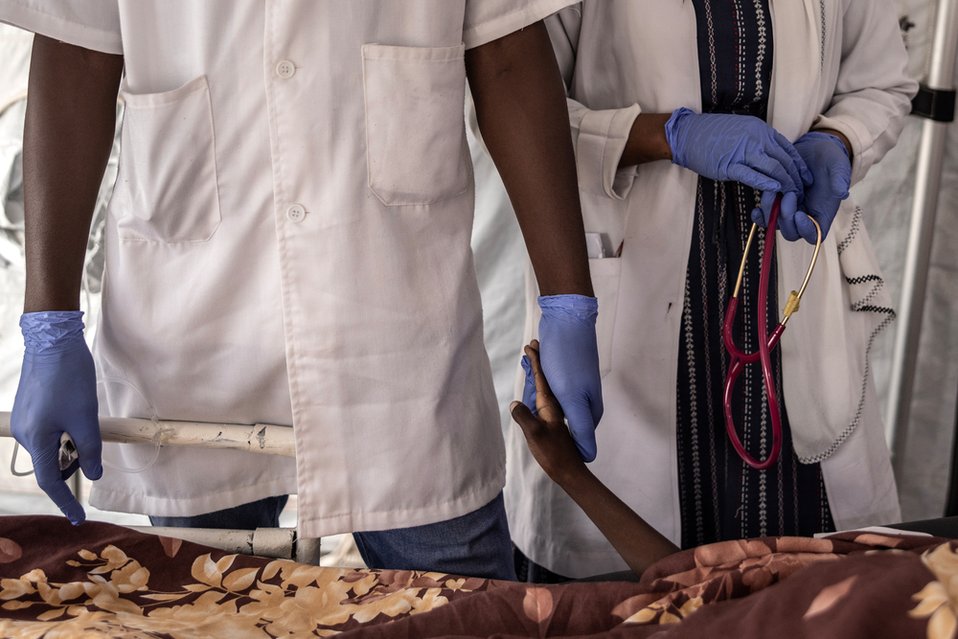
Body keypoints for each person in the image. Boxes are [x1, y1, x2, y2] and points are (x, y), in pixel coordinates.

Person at [3, 0, 605, 580]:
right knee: (211, 609)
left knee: (456, 609)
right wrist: (49, 326)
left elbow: (506, 55)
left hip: (396, 319)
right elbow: (75, 56)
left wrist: (568, 300)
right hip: (193, 323)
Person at [506, 0, 918, 582]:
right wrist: (665, 136)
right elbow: (514, 112)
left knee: (814, 589)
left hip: (790, 288)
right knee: (627, 599)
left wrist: (839, 140)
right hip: (631, 292)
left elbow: (881, 82)